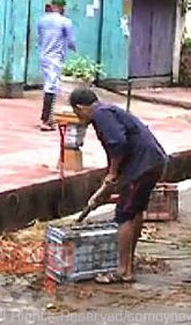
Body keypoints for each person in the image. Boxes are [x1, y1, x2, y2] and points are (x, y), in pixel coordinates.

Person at [70, 87, 168, 283]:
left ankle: (123, 270)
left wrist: (113, 173)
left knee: (124, 215)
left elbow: (117, 143)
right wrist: (107, 186)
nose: (78, 117)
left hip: (142, 165)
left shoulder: (101, 114)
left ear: (80, 108)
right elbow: (116, 151)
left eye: (76, 112)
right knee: (135, 211)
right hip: (152, 161)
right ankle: (128, 262)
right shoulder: (109, 111)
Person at [38, 0, 76, 131]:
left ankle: (48, 117)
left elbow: (40, 36)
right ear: (61, 8)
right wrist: (74, 48)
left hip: (44, 55)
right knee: (52, 86)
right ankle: (46, 119)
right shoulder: (65, 22)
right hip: (55, 57)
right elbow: (71, 41)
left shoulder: (42, 20)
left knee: (51, 84)